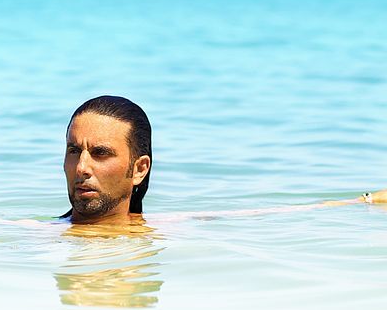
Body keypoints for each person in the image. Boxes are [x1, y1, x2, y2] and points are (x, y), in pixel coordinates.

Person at [61, 95, 385, 226]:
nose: (82, 167)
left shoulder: (166, 230)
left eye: (100, 153)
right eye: (74, 150)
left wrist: (366, 201)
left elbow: (283, 213)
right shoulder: (41, 235)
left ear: (140, 168)